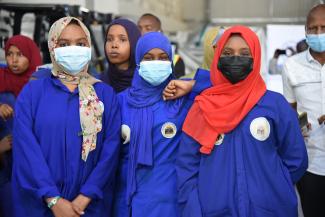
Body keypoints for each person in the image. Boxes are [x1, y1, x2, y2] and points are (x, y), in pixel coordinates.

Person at [177, 25, 308, 217]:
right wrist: (195, 208)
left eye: (244, 53)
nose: (236, 59)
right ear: (217, 57)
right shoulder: (201, 107)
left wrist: (275, 187)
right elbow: (187, 164)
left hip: (270, 209)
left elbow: (296, 159)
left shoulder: (274, 104)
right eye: (227, 53)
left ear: (255, 57)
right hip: (214, 210)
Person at [11, 17, 121, 217]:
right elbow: (26, 149)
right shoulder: (33, 93)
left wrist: (85, 196)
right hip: (40, 206)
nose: (73, 49)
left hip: (89, 207)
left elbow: (110, 151)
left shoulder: (105, 95)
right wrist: (52, 199)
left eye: (80, 44)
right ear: (53, 47)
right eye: (64, 44)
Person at [113, 32, 192, 217]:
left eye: (163, 57)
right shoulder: (120, 102)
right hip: (129, 199)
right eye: (148, 58)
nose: (156, 62)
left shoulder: (183, 100)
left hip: (170, 201)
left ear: (171, 61)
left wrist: (192, 85)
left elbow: (222, 87)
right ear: (138, 61)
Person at [282, 4, 325, 217]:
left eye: (324, 28)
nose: (319, 33)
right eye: (313, 28)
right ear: (306, 31)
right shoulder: (292, 66)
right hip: (311, 163)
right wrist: (301, 124)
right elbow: (291, 112)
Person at [0, 35, 42, 217]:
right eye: (10, 54)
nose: (14, 60)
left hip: (32, 163)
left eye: (20, 54)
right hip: (4, 166)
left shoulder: (40, 83)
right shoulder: (1, 79)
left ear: (31, 56)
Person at [138, 13, 186, 78]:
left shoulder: (175, 60)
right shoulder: (133, 57)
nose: (142, 32)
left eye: (148, 28)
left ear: (159, 32)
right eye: (139, 28)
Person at [101, 18, 141, 93]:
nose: (114, 45)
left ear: (134, 43)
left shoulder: (146, 83)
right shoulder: (97, 84)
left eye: (122, 40)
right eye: (109, 39)